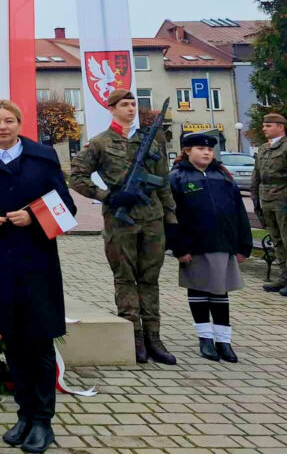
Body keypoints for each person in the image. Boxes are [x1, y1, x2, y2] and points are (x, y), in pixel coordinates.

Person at [0, 99, 76, 453]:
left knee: (37, 342)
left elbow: (66, 208)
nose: (2, 126)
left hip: (35, 262)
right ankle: (23, 415)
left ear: (19, 123)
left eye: (9, 120)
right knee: (13, 343)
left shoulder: (42, 158)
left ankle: (43, 421)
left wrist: (35, 216)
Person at [69, 88, 178, 365]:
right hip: (120, 220)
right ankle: (134, 337)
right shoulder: (100, 142)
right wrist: (108, 195)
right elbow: (77, 177)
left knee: (150, 278)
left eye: (133, 104)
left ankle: (154, 337)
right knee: (126, 277)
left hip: (152, 218)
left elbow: (163, 181)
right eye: (125, 105)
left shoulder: (153, 140)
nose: (131, 109)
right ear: (112, 109)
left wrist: (172, 220)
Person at [168, 132, 252, 362]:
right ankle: (205, 339)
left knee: (219, 291)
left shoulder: (222, 176)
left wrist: (244, 245)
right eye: (200, 149)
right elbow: (171, 214)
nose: (206, 152)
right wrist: (178, 247)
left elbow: (239, 211)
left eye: (209, 150)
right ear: (187, 151)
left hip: (223, 242)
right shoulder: (177, 177)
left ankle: (224, 340)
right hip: (194, 245)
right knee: (198, 291)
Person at [250, 112, 287, 296]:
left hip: (284, 199)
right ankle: (284, 276)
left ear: (280, 127)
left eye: (268, 125)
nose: (264, 128)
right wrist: (255, 198)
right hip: (267, 200)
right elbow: (256, 176)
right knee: (277, 239)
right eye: (264, 125)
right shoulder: (264, 149)